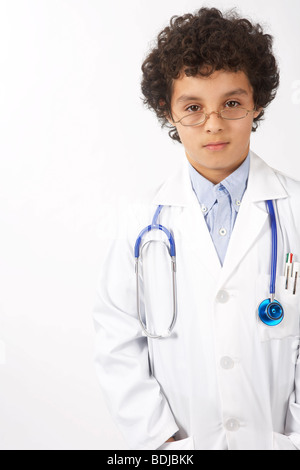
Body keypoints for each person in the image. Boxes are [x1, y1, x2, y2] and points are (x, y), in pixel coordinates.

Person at [93, 7, 300, 450]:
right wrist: (163, 442)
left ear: (256, 102)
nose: (213, 123)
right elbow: (117, 340)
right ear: (168, 111)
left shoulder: (296, 210)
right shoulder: (140, 222)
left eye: (231, 103)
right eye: (192, 107)